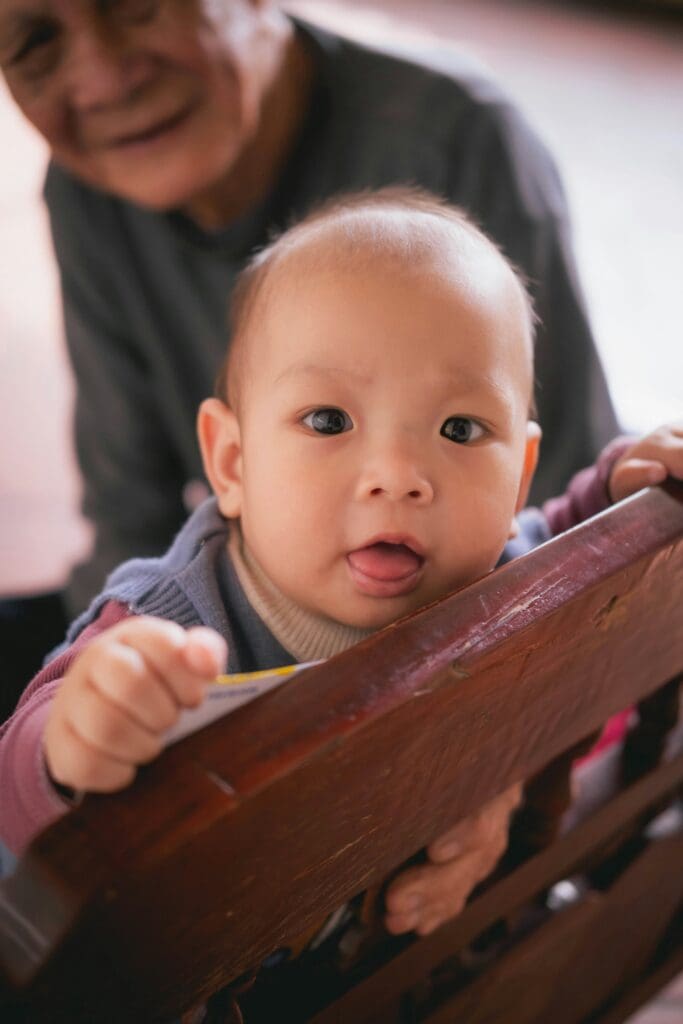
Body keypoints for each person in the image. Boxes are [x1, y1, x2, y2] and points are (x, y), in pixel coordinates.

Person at [1, 191, 679, 947]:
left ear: (517, 475)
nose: (396, 475)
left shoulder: (493, 571)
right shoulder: (172, 625)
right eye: (328, 421)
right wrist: (72, 745)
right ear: (232, 461)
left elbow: (562, 548)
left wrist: (613, 492)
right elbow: (21, 798)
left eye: (460, 428)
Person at [0, 0, 617, 618]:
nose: (103, 79)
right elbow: (128, 519)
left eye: (138, 6)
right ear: (228, 458)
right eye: (33, 43)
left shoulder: (455, 144)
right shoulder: (90, 192)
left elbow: (572, 540)